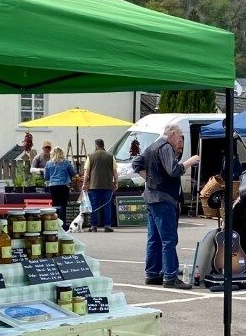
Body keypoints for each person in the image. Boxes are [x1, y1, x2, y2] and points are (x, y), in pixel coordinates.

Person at [131, 123, 199, 288]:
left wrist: (148, 178)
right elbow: (173, 170)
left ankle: (152, 274)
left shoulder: (152, 147)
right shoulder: (165, 147)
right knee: (169, 239)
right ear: (172, 134)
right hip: (163, 198)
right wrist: (190, 162)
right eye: (180, 137)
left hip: (151, 197)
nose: (179, 141)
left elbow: (136, 164)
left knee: (154, 238)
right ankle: (170, 276)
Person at [84, 138, 117, 233]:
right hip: (107, 185)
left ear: (96, 145)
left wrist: (84, 184)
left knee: (94, 206)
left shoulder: (90, 156)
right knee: (107, 206)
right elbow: (115, 172)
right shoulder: (111, 156)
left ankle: (93, 226)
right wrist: (116, 183)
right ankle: (107, 226)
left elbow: (86, 172)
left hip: (94, 186)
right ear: (103, 145)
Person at [44, 148, 78, 223]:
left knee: (55, 204)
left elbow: (46, 177)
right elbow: (73, 173)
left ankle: (54, 223)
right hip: (64, 186)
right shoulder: (66, 163)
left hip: (53, 186)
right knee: (63, 205)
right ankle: (62, 225)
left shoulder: (48, 163)